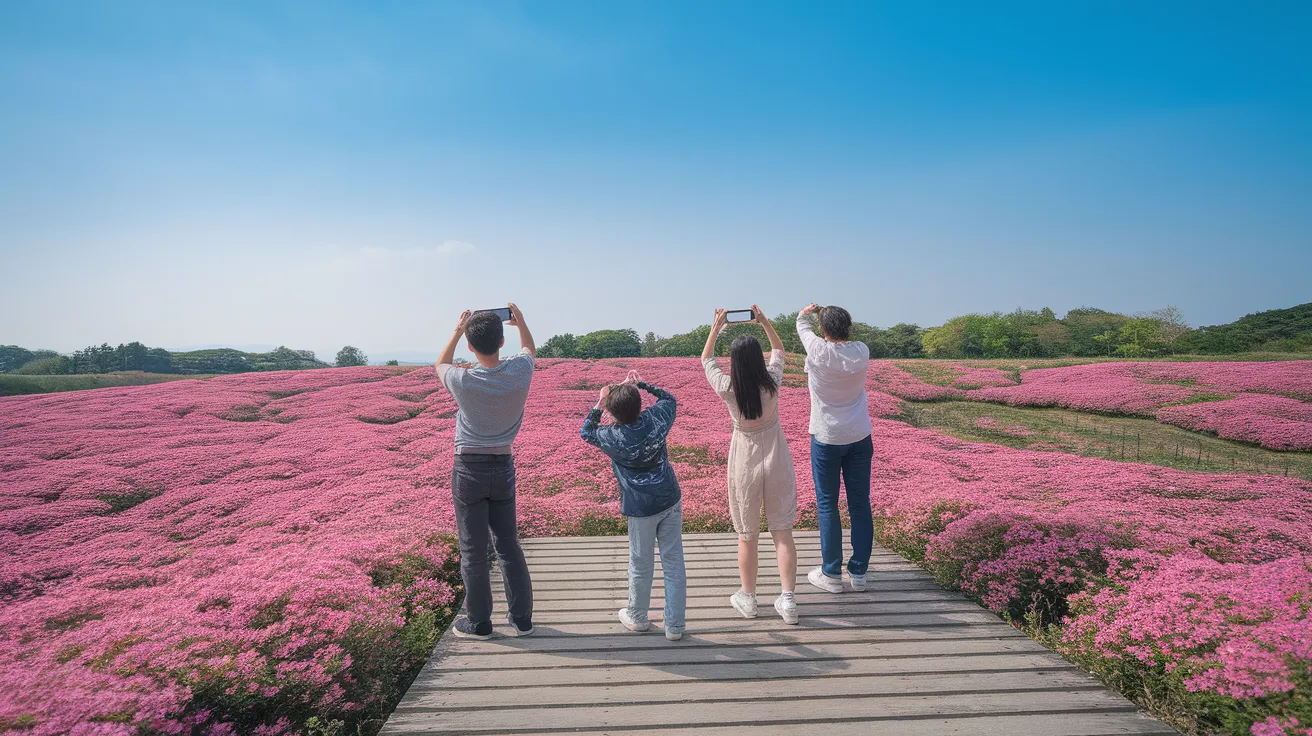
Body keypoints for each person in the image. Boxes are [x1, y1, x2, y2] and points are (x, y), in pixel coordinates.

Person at [435, 303, 536, 639]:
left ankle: (479, 623)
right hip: (503, 467)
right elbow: (529, 349)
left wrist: (457, 328)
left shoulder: (462, 380)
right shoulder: (520, 372)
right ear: (502, 341)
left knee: (474, 550)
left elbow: (441, 363)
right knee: (508, 544)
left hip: (468, 469)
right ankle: (522, 620)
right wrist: (521, 321)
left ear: (470, 345)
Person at [701, 306, 800, 624]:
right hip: (776, 457)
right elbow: (780, 350)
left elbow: (706, 360)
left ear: (735, 363)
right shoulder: (772, 381)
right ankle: (787, 600)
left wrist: (716, 327)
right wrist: (763, 320)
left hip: (744, 461)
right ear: (758, 358)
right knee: (782, 532)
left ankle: (749, 598)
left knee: (747, 534)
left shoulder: (729, 389)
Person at [580, 371, 686, 641]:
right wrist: (641, 385)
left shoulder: (612, 436)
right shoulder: (655, 419)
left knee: (640, 564)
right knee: (673, 563)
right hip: (669, 498)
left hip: (640, 508)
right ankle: (674, 626)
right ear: (640, 405)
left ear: (613, 414)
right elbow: (670, 399)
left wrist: (599, 403)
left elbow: (586, 432)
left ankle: (638, 617)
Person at [796, 302, 873, 594]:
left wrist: (807, 313)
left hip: (827, 437)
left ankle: (831, 573)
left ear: (823, 330)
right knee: (859, 503)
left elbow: (801, 326)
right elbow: (812, 330)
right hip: (859, 435)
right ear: (849, 327)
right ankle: (859, 573)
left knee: (828, 503)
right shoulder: (862, 351)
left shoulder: (818, 351)